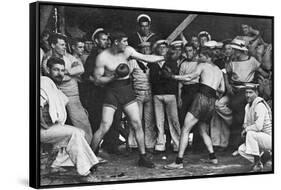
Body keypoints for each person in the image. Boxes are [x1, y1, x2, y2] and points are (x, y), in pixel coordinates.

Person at [90, 31, 165, 168]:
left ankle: (143, 157)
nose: (127, 43)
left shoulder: (127, 51)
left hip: (127, 90)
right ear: (116, 42)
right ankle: (89, 158)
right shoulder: (102, 57)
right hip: (112, 91)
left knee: (137, 122)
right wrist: (113, 76)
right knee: (105, 125)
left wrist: (162, 57)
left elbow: (145, 57)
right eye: (124, 41)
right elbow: (97, 80)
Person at [164, 47, 225, 169]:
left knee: (185, 129)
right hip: (212, 100)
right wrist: (211, 90)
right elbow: (222, 90)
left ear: (207, 57)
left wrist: (173, 77)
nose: (198, 58)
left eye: (201, 55)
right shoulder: (219, 70)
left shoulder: (203, 65)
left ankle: (178, 162)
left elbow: (190, 77)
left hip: (201, 98)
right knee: (203, 130)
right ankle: (213, 158)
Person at [40, 57, 99, 182]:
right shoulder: (44, 82)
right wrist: (41, 123)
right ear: (48, 70)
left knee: (80, 132)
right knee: (75, 133)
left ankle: (55, 165)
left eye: (62, 70)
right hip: (40, 130)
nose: (59, 73)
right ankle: (84, 173)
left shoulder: (54, 87)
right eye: (56, 70)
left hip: (50, 128)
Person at [42, 33, 93, 144]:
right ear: (53, 45)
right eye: (62, 45)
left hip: (72, 94)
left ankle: (90, 151)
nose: (65, 47)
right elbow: (56, 77)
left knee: (82, 122)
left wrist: (68, 71)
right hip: (56, 95)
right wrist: (71, 74)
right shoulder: (46, 59)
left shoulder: (68, 56)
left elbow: (80, 68)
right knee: (56, 123)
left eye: (65, 45)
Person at [83, 28, 124, 155]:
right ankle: (93, 151)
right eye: (103, 39)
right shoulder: (93, 57)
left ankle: (111, 146)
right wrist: (97, 81)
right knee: (97, 121)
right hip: (97, 94)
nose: (106, 42)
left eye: (107, 39)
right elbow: (86, 76)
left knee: (115, 119)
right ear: (96, 41)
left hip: (111, 92)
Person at [149, 40, 181, 153]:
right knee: (159, 121)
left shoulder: (172, 62)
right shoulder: (152, 63)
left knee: (174, 120)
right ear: (157, 49)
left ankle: (178, 144)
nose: (162, 49)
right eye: (160, 47)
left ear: (168, 49)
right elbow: (152, 79)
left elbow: (175, 79)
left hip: (170, 94)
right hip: (157, 94)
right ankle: (160, 144)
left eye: (164, 47)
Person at [127, 41, 157, 152]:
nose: (145, 50)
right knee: (136, 120)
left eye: (148, 48)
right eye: (143, 48)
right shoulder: (133, 62)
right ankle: (133, 144)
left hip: (149, 93)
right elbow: (127, 76)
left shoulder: (152, 62)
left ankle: (149, 145)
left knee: (149, 121)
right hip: (137, 93)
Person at [238, 83, 272, 172]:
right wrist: (245, 128)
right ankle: (264, 159)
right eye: (246, 92)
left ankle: (258, 163)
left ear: (256, 92)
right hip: (260, 137)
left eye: (250, 92)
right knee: (241, 150)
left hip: (270, 138)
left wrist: (246, 130)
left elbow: (259, 126)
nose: (248, 95)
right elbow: (245, 124)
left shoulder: (259, 105)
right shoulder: (247, 106)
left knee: (250, 133)